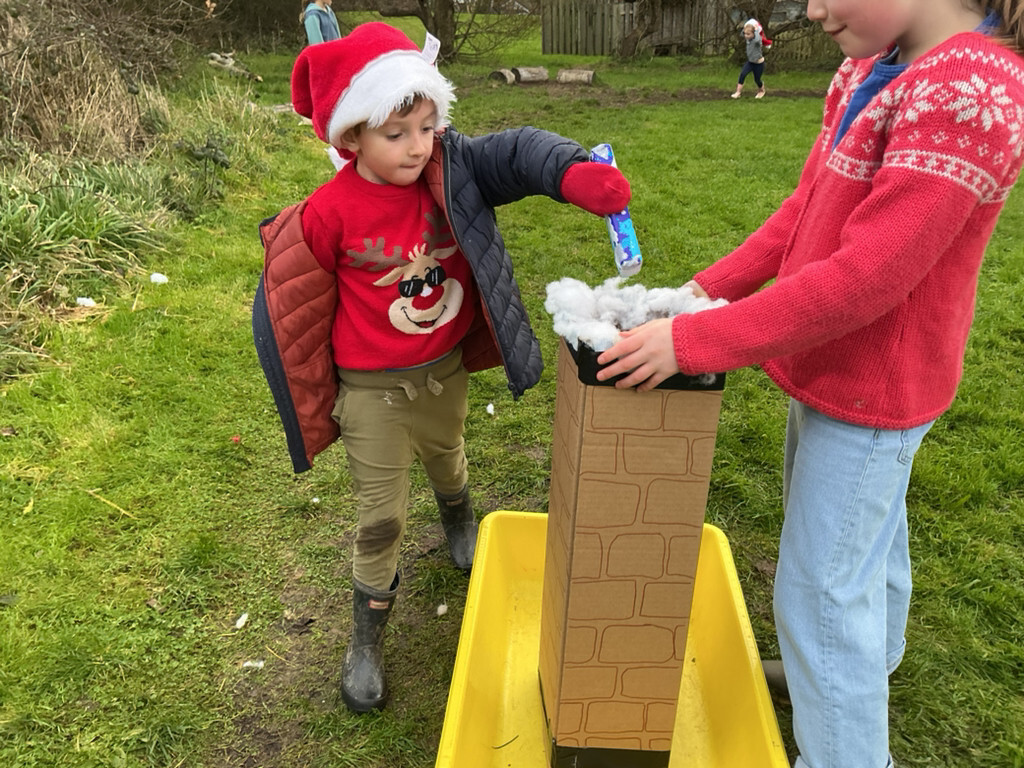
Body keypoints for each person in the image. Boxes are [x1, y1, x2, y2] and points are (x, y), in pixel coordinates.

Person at [595, 1, 1024, 766]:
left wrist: (693, 342)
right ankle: (853, 669)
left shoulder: (971, 91)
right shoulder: (871, 62)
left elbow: (866, 279)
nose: (812, 10)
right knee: (863, 545)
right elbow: (805, 209)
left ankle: (844, 736)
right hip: (834, 369)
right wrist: (701, 292)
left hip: (877, 389)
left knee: (821, 592)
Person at [252, 22, 630, 714]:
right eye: (396, 134)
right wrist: (316, 392)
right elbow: (299, 307)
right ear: (352, 136)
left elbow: (516, 152)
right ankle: (367, 638)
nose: (417, 145)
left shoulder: (449, 170)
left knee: (448, 455)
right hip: (372, 393)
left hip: (444, 372)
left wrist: (570, 173)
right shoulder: (328, 214)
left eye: (428, 126)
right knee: (380, 518)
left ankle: (459, 518)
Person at [731, 18, 768, 99]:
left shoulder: (757, 40)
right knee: (742, 74)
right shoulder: (748, 39)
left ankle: (761, 90)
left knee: (757, 79)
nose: (746, 36)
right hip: (750, 62)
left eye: (748, 34)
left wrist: (756, 29)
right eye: (745, 34)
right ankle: (738, 92)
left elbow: (757, 38)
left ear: (754, 33)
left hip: (759, 64)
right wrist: (746, 26)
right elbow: (742, 33)